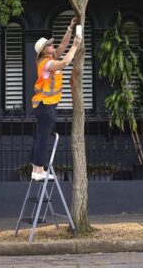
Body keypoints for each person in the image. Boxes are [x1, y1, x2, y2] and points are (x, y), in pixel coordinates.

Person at [29, 17, 82, 181]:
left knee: (41, 135)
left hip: (46, 105)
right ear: (44, 51)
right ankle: (38, 170)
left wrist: (69, 29)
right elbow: (65, 62)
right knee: (44, 136)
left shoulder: (51, 57)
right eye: (49, 45)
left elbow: (62, 46)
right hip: (45, 105)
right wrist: (76, 45)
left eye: (52, 45)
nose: (53, 46)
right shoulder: (46, 63)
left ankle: (35, 167)